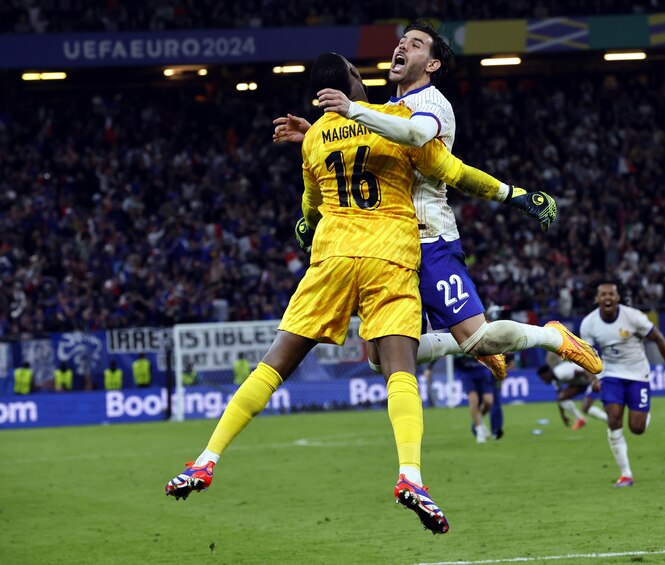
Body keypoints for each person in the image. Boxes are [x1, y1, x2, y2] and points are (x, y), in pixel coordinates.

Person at [166, 53, 551, 534]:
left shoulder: (313, 139)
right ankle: (410, 475)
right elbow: (453, 172)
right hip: (388, 255)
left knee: (275, 361)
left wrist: (308, 225)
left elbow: (311, 207)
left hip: (332, 257)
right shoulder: (395, 119)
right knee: (398, 371)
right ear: (352, 80)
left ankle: (206, 458)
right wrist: (514, 196)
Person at [273, 20, 602, 380]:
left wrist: (351, 110)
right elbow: (359, 148)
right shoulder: (387, 108)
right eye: (402, 41)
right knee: (379, 360)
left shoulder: (431, 103)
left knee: (478, 337)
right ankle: (467, 344)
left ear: (432, 65)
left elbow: (416, 136)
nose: (402, 46)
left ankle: (552, 336)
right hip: (387, 246)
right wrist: (316, 133)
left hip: (427, 237)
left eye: (415, 44)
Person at [579, 282, 665, 487]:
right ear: (597, 299)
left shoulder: (634, 317)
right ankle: (626, 474)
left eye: (611, 294)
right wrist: (593, 378)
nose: (607, 297)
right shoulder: (588, 324)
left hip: (637, 374)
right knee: (614, 418)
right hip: (611, 375)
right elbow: (584, 355)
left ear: (617, 298)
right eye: (603, 294)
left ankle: (643, 415)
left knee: (637, 428)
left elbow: (660, 340)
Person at [536, 352, 607, 430]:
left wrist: (593, 382)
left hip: (591, 377)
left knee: (585, 408)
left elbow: (582, 372)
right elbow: (559, 398)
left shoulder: (561, 372)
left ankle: (608, 419)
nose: (544, 380)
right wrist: (563, 416)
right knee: (562, 397)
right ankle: (580, 419)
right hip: (581, 383)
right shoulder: (555, 380)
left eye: (544, 377)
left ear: (548, 373)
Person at [454, 354, 495, 443]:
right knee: (473, 400)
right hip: (466, 372)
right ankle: (479, 431)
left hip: (482, 370)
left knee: (488, 401)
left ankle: (479, 420)